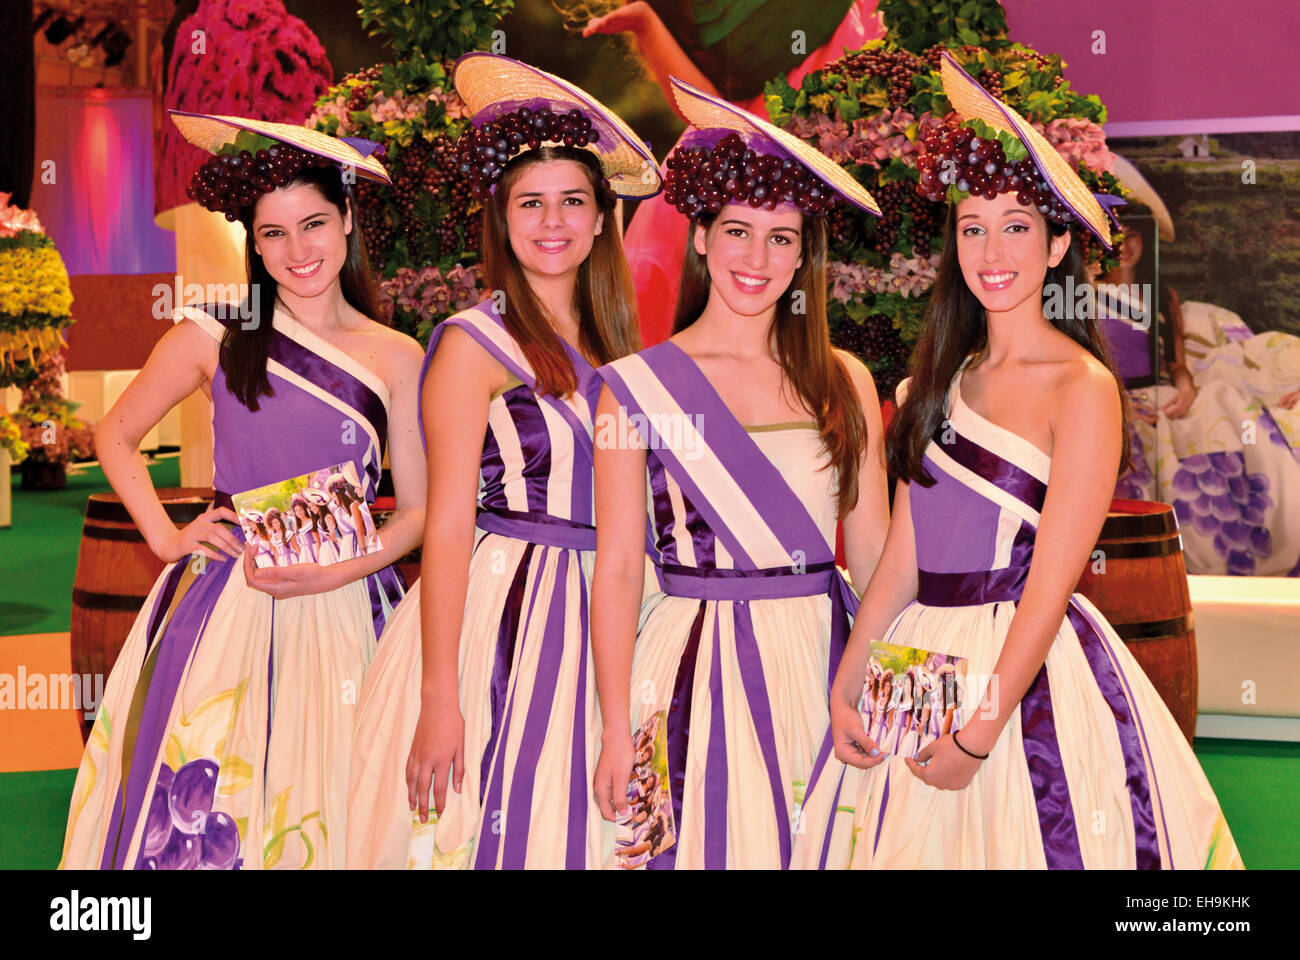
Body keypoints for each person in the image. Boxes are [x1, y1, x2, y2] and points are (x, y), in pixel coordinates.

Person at [792, 54, 1242, 869]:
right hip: (916, 665)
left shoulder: (1084, 386)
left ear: (1058, 240)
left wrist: (984, 726)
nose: (991, 249)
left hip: (1022, 674)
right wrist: (850, 675)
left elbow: (1052, 580)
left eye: (1016, 226)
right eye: (972, 227)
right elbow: (902, 558)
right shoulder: (941, 377)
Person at [58, 113, 424, 870]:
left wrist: (339, 570)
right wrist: (166, 536)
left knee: (348, 795)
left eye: (315, 223)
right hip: (230, 600)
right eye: (274, 234)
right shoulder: (213, 334)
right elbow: (115, 435)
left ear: (349, 218)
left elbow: (420, 511)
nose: (299, 251)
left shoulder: (398, 354)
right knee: (221, 792)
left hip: (355, 603)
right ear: (252, 244)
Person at [345, 53, 661, 869]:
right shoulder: (469, 344)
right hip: (511, 618)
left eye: (571, 202)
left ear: (601, 220)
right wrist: (441, 695)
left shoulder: (631, 352)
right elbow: (446, 526)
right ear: (501, 217)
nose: (551, 222)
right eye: (530, 203)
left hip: (627, 607)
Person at [591, 76, 890, 869]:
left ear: (806, 253)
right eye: (736, 231)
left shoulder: (845, 380)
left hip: (821, 666)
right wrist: (613, 727)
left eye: (782, 238)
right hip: (688, 666)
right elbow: (618, 569)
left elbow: (878, 559)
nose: (757, 259)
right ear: (698, 237)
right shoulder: (633, 385)